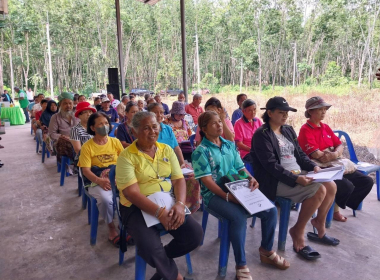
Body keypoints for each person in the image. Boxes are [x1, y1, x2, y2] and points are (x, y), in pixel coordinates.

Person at [192, 111, 289, 279]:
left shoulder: (229, 145)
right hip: (214, 196)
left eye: (220, 122)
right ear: (204, 129)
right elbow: (207, 181)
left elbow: (240, 168)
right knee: (237, 217)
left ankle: (266, 251)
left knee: (270, 210)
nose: (220, 125)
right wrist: (227, 197)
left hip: (237, 187)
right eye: (214, 123)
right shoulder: (201, 151)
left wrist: (252, 179)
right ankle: (241, 264)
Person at [116, 111, 203, 280]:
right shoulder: (126, 157)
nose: (152, 131)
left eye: (155, 127)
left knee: (195, 235)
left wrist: (179, 204)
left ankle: (162, 266)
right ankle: (176, 277)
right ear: (133, 131)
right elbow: (132, 193)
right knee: (150, 247)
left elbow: (178, 179)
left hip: (166, 199)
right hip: (135, 206)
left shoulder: (166, 150)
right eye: (146, 128)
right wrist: (159, 213)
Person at [250, 96, 339, 260]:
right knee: (319, 190)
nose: (285, 116)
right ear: (269, 113)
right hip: (274, 180)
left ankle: (319, 222)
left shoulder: (288, 130)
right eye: (281, 113)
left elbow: (299, 153)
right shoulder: (262, 135)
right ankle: (298, 231)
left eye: (286, 113)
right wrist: (296, 179)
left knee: (331, 185)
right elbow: (271, 166)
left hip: (297, 173)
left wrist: (313, 167)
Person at [298, 96, 373, 222]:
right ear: (310, 112)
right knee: (346, 186)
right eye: (320, 109)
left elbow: (339, 144)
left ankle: (338, 205)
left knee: (366, 181)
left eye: (325, 109)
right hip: (318, 168)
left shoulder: (325, 127)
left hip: (333, 163)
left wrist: (334, 154)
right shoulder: (305, 130)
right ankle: (333, 210)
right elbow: (317, 155)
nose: (323, 112)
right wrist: (335, 153)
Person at [79, 112, 124, 247]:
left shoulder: (115, 142)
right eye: (100, 124)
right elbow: (85, 170)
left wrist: (118, 177)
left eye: (106, 123)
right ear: (92, 128)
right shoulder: (87, 147)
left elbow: (124, 162)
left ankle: (125, 223)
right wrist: (100, 181)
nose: (104, 126)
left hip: (116, 177)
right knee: (105, 199)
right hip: (96, 179)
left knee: (133, 193)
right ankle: (110, 227)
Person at [148, 103, 186, 167]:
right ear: (148, 114)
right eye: (155, 113)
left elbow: (176, 148)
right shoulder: (147, 131)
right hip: (156, 165)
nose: (159, 115)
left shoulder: (168, 128)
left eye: (161, 112)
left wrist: (182, 163)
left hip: (172, 163)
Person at [48, 92, 79, 162]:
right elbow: (52, 134)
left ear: (73, 104)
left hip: (78, 139)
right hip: (63, 143)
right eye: (65, 103)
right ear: (60, 105)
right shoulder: (55, 117)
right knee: (68, 145)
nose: (68, 106)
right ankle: (77, 165)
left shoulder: (78, 115)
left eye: (70, 103)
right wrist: (64, 137)